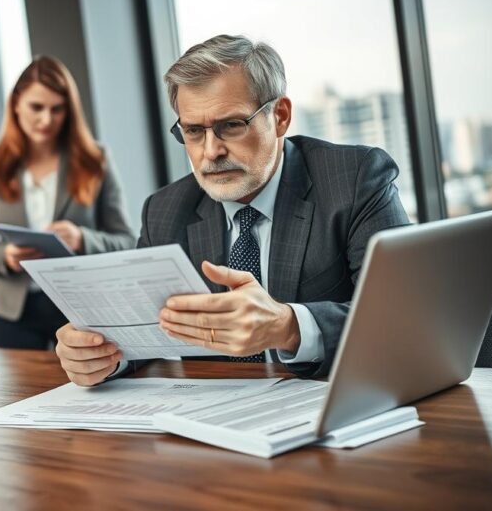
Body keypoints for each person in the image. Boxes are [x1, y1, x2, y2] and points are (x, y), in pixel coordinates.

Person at [54, 34, 411, 385]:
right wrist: (100, 356)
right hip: (221, 422)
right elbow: (143, 334)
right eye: (193, 131)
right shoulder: (165, 211)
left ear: (281, 116)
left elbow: (405, 317)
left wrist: (287, 327)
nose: (211, 152)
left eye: (231, 126)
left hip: (339, 403)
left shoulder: (354, 179)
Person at [0, 55, 136, 349]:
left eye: (57, 109)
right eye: (37, 107)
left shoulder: (95, 160)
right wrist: (5, 256)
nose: (47, 119)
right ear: (17, 103)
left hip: (81, 309)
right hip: (14, 310)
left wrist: (82, 238)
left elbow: (127, 241)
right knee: (19, 394)